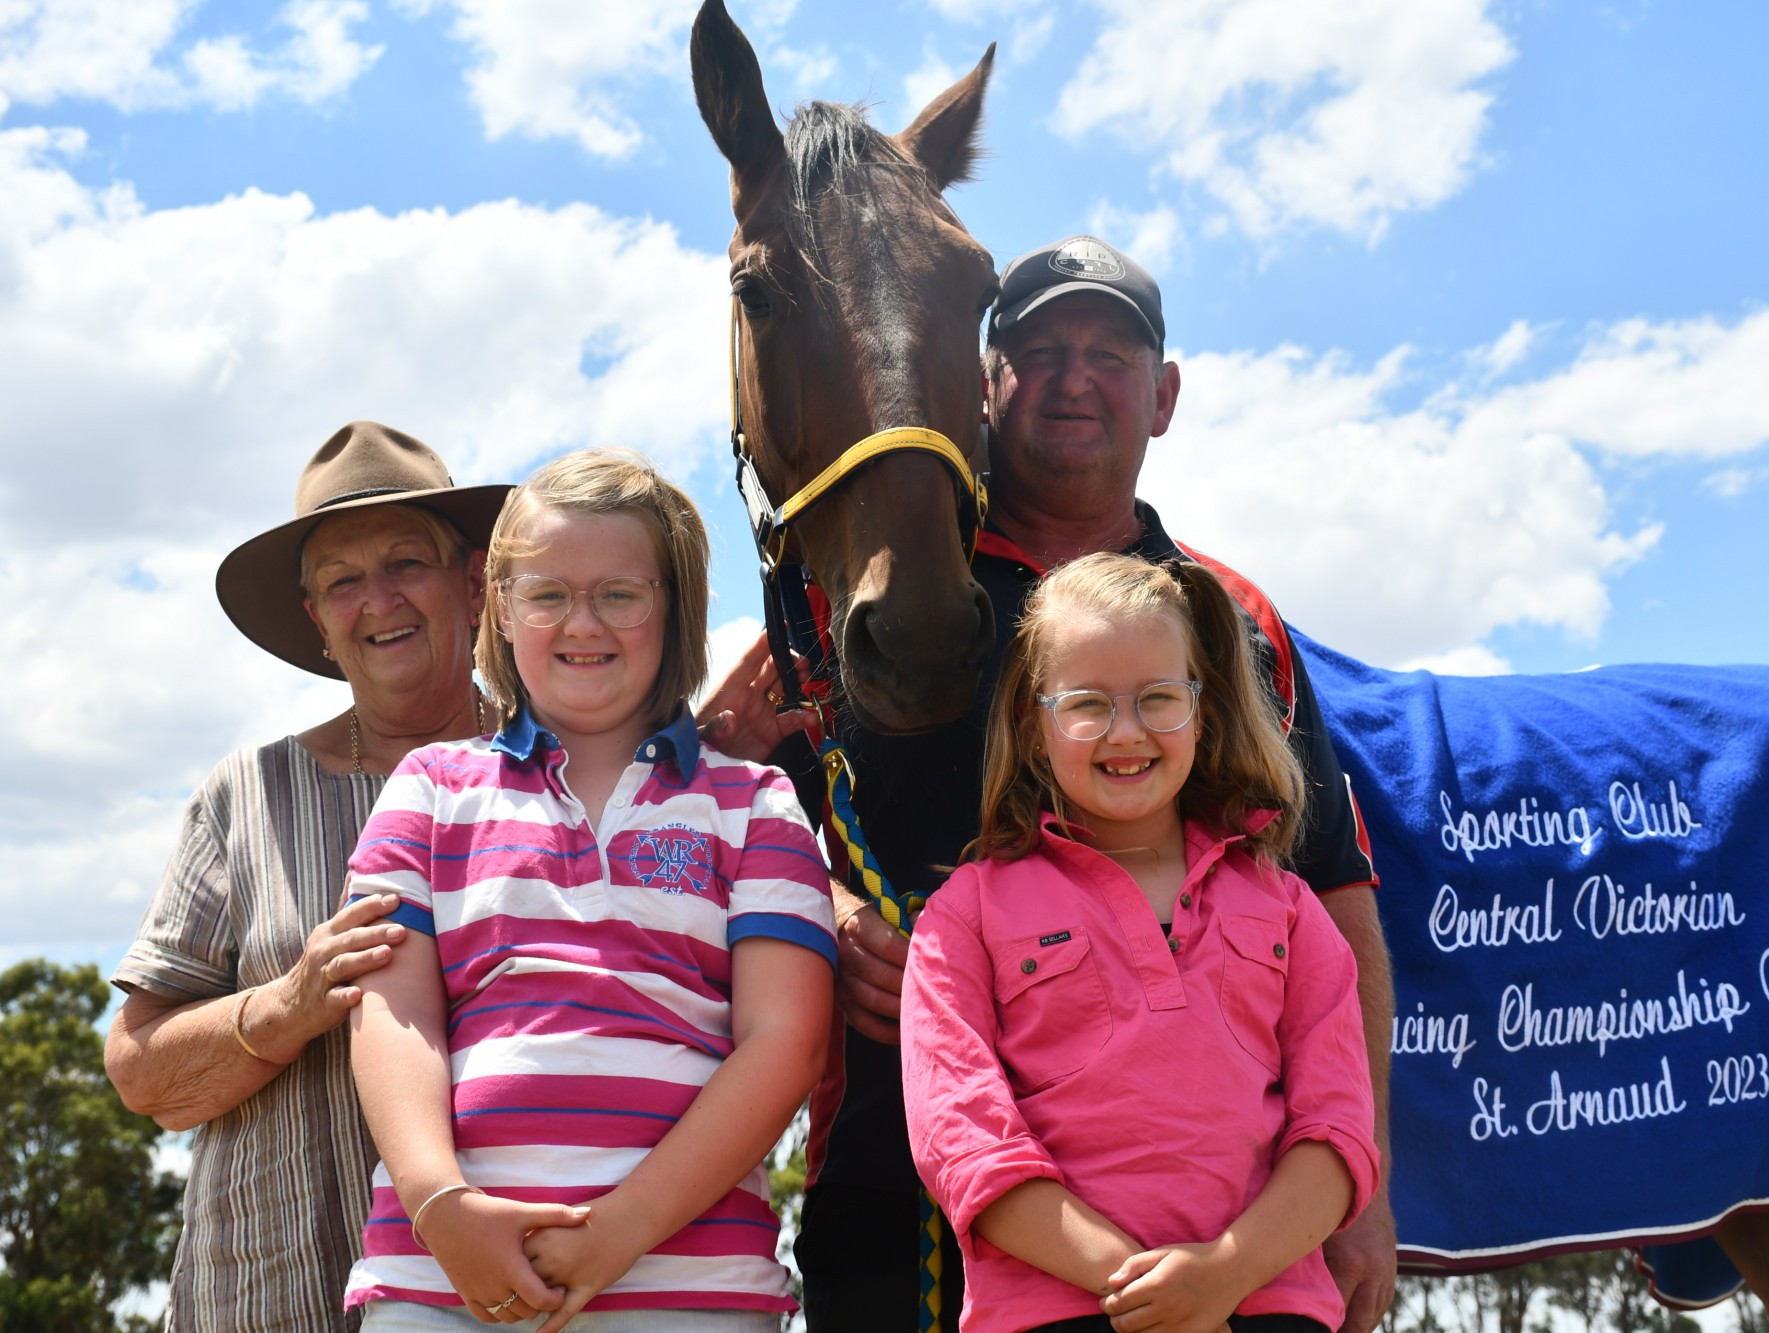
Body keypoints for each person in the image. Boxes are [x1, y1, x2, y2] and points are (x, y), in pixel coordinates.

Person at [702, 235, 1397, 1333]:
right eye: (1038, 350)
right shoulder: (862, 588)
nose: (1074, 377)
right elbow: (734, 821)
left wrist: (1364, 1196)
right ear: (983, 387)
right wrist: (829, 914)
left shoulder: (1231, 620)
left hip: (1222, 1228)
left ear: (1162, 396)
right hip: (891, 1156)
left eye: (1109, 352)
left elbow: (1330, 896)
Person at [340, 448, 836, 1331]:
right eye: (547, 593)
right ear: (498, 604)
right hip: (439, 1285)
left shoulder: (756, 803)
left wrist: (621, 1228)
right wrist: (439, 1203)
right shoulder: (428, 787)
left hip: (692, 1285)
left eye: (620, 593)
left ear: (673, 606)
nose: (583, 621)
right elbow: (393, 1014)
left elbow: (784, 1041)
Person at [903, 553, 1380, 1333]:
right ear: (1033, 723)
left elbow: (1336, 1133)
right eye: (1086, 705)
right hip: (1060, 1309)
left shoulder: (1292, 910)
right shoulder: (963, 917)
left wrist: (1222, 1273)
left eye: (1158, 697)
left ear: (1202, 708)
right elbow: (964, 1142)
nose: (1127, 732)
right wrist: (1152, 1293)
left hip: (1264, 1305)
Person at [103, 422, 511, 1332]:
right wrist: (289, 1002)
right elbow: (139, 1074)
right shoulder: (246, 796)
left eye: (407, 561)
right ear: (318, 622)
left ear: (475, 583)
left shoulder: (569, 770)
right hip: (266, 1298)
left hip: (521, 1295)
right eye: (342, 581)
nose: (378, 599)